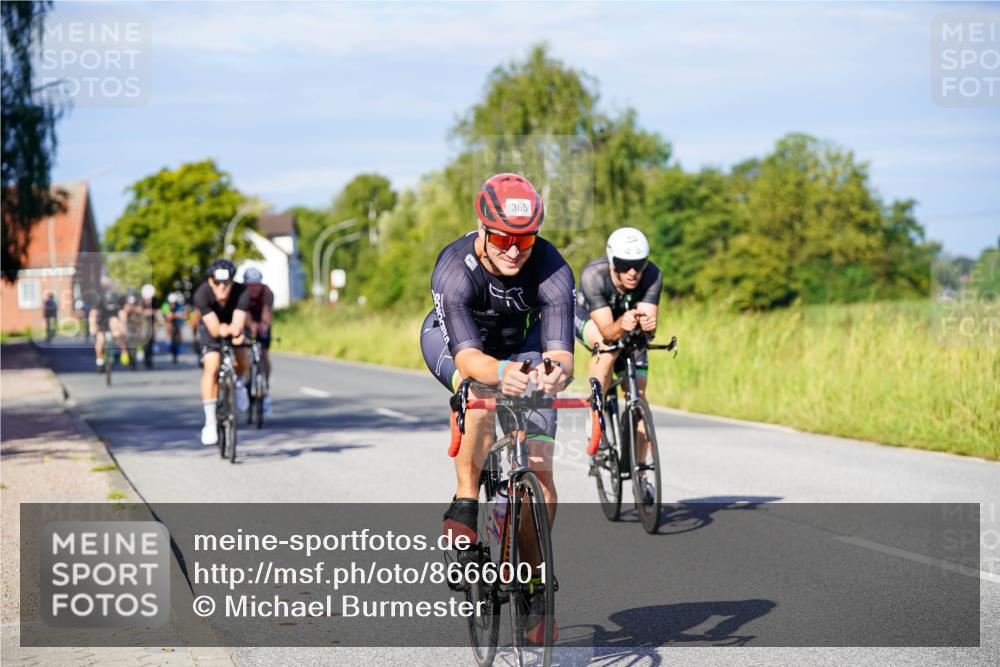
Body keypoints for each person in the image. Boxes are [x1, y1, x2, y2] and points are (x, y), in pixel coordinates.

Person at [419, 173, 574, 644]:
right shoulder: (454, 268)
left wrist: (555, 373)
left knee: (542, 470)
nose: (514, 249)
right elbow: (468, 356)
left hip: (523, 346)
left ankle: (532, 574)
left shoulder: (551, 266)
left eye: (524, 239)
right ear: (483, 229)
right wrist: (495, 373)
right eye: (504, 237)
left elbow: (561, 352)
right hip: (461, 346)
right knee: (480, 392)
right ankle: (466, 501)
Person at [574, 227, 662, 399]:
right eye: (624, 264)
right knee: (608, 348)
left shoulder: (653, 274)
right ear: (612, 261)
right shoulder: (593, 275)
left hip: (625, 320)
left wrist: (646, 328)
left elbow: (648, 330)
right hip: (590, 317)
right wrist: (622, 322)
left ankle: (639, 418)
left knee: (639, 390)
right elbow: (607, 331)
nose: (633, 272)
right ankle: (596, 411)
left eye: (639, 264)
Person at [194, 259, 251, 445]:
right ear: (210, 281)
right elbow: (214, 329)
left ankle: (240, 383)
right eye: (217, 283)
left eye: (226, 283)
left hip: (232, 325)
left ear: (233, 282)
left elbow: (238, 322)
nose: (222, 287)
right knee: (212, 365)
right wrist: (224, 329)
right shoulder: (202, 294)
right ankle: (210, 422)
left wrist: (235, 331)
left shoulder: (242, 292)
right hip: (212, 328)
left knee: (242, 355)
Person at [242, 267, 274, 415]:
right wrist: (251, 325)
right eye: (250, 285)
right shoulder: (241, 293)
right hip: (246, 323)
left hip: (262, 322)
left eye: (256, 284)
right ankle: (246, 379)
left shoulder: (267, 292)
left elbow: (267, 311)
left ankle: (265, 385)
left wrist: (264, 325)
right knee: (244, 351)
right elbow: (244, 312)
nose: (253, 288)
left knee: (264, 354)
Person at [89, 277, 129, 370]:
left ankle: (121, 351)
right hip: (102, 324)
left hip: (113, 324)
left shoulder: (117, 301)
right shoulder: (100, 300)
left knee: (115, 323)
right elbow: (93, 313)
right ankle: (99, 362)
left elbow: (122, 314)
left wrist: (123, 326)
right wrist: (92, 326)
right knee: (100, 342)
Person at [162, 291, 188, 361]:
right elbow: (168, 316)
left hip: (177, 323)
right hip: (169, 323)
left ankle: (179, 346)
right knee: (168, 327)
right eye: (171, 303)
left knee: (179, 334)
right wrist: (177, 315)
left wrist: (176, 315)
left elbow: (184, 314)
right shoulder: (165, 306)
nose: (173, 304)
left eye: (174, 303)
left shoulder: (179, 306)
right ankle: (168, 342)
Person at [138, 284, 158, 367]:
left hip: (151, 322)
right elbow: (138, 311)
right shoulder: (140, 301)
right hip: (142, 322)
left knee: (152, 336)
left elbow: (157, 311)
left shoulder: (154, 301)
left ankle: (150, 356)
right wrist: (145, 312)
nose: (149, 300)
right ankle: (141, 350)